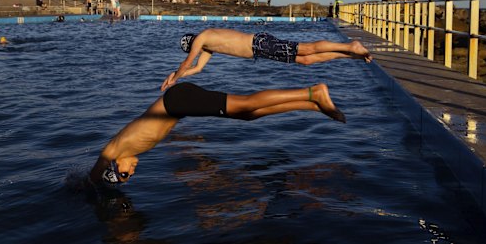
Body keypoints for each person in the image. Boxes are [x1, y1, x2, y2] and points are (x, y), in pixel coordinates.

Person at [90, 82, 345, 185]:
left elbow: (95, 171)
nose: (132, 171)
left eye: (126, 172)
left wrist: (94, 183)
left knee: (245, 104)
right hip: (180, 106)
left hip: (179, 101)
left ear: (113, 164)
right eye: (129, 176)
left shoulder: (111, 151)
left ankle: (313, 93)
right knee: (248, 115)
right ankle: (312, 105)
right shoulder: (124, 153)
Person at [161, 29, 372, 91]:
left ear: (191, 42)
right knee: (305, 61)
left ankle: (348, 46)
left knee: (306, 49)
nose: (194, 50)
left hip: (259, 43)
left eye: (192, 48)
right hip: (259, 51)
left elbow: (187, 63)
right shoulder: (207, 47)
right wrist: (174, 76)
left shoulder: (203, 37)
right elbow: (196, 69)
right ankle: (350, 54)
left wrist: (176, 77)